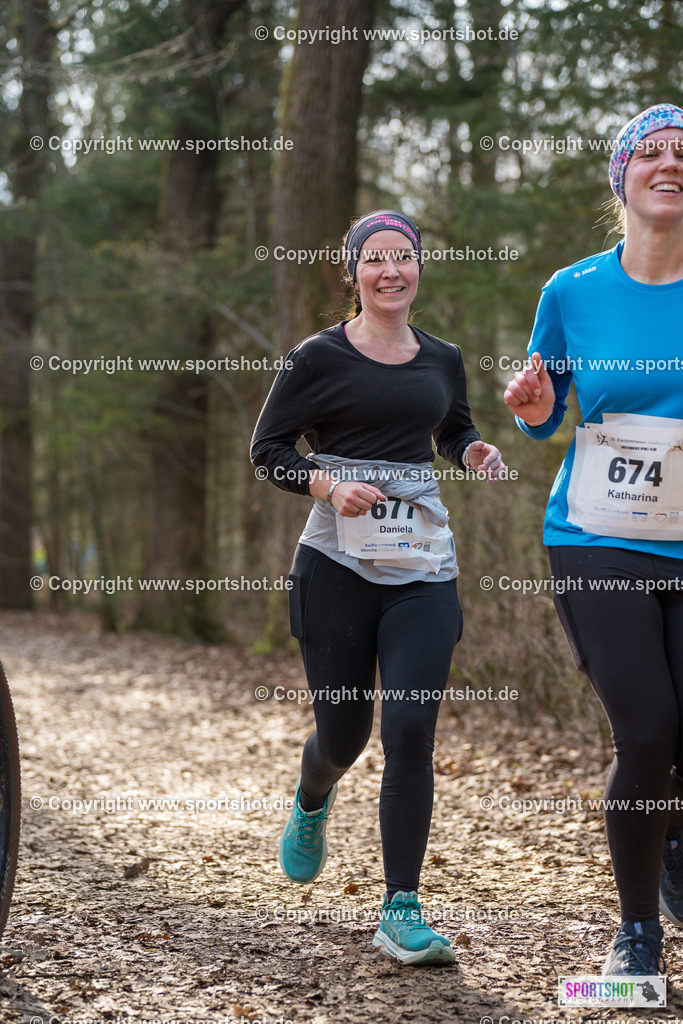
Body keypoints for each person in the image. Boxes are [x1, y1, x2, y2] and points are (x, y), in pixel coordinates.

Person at [251, 210, 504, 965]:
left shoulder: (443, 358)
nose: (391, 272)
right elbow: (267, 450)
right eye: (375, 260)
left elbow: (451, 431)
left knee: (409, 732)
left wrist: (474, 451)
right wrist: (326, 484)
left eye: (404, 259)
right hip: (336, 566)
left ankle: (400, 907)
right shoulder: (317, 357)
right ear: (352, 271)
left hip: (423, 564)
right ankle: (312, 796)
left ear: (418, 268)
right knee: (346, 734)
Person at [503, 103, 683, 977]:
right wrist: (535, 411)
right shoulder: (571, 290)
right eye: (648, 152)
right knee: (647, 729)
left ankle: (669, 840)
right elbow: (544, 409)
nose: (668, 162)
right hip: (598, 533)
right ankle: (635, 938)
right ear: (622, 180)